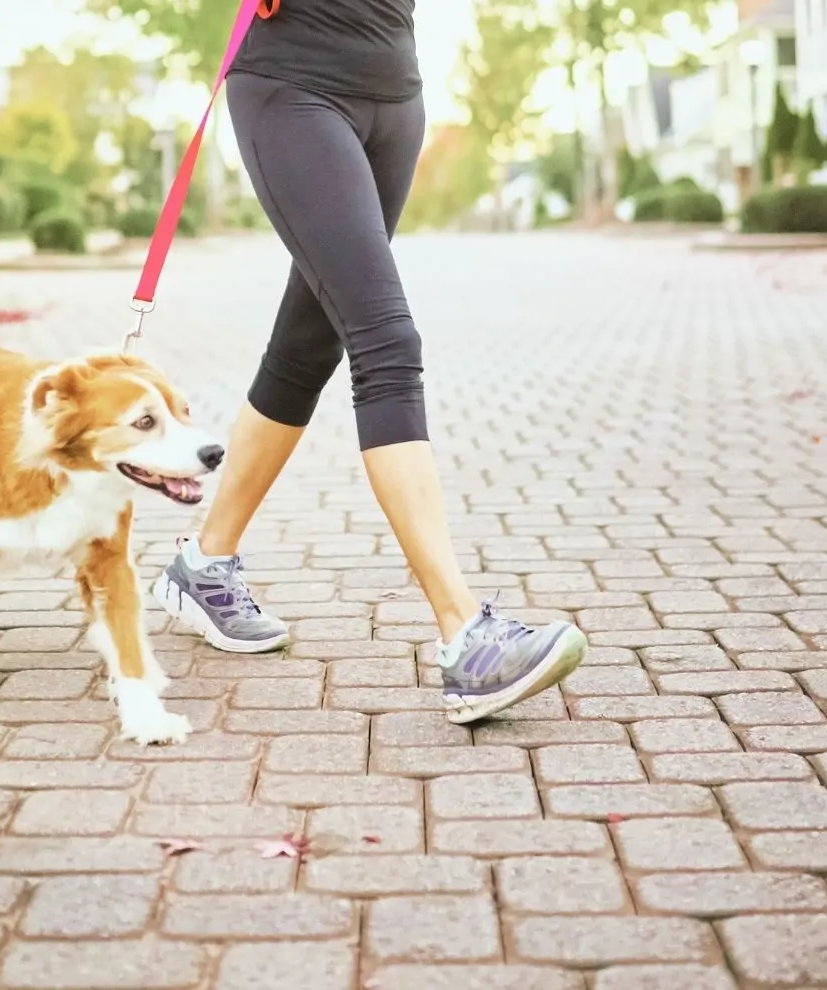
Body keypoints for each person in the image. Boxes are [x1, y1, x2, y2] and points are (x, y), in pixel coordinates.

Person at [153, 0, 587, 724]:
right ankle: (464, 637)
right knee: (386, 338)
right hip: (294, 86)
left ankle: (206, 561)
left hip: (394, 87)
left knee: (310, 339)